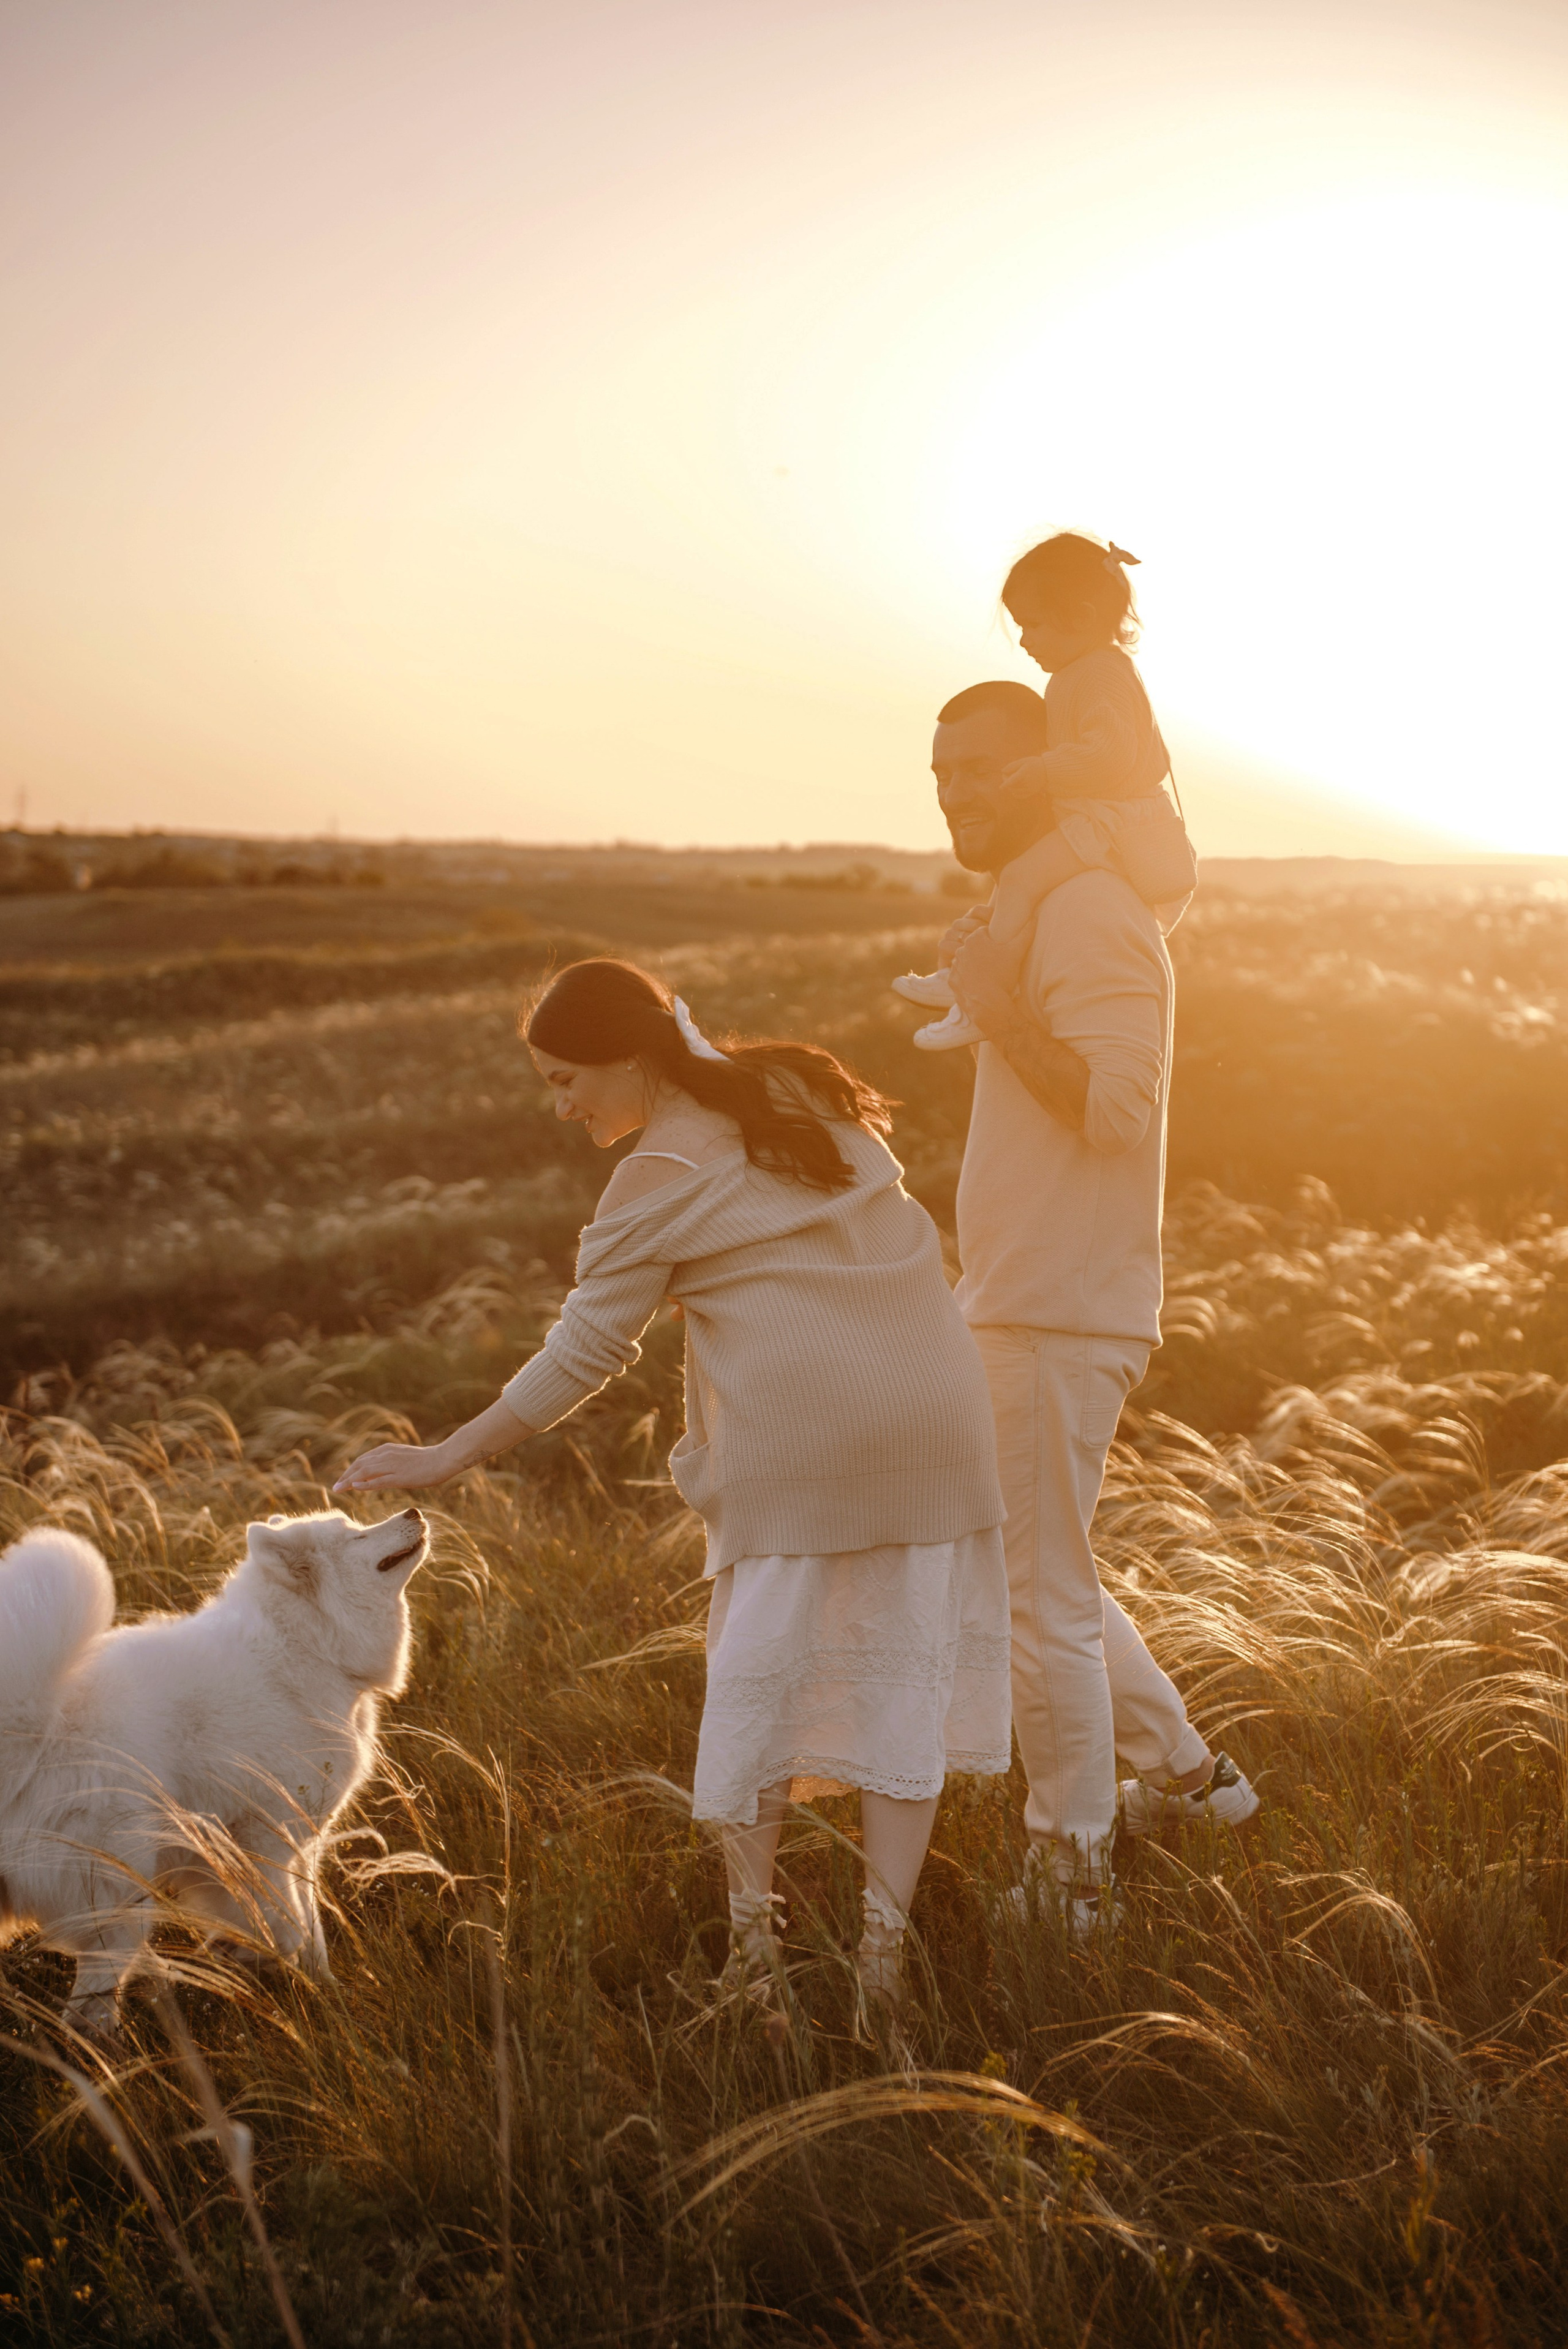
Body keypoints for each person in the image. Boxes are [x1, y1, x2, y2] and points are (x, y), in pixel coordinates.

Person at [336, 958, 1011, 2010]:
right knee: (901, 1680)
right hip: (938, 1417)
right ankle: (882, 1963)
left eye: (568, 1079)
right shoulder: (798, 1093)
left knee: (760, 1689)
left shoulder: (655, 1172)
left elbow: (583, 1354)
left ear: (633, 1055)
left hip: (808, 1446)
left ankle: (754, 1956)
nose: (560, 1107)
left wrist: (445, 1457)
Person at [922, 680, 1257, 1932]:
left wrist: (999, 1010)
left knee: (1034, 1594)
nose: (956, 790)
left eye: (981, 768)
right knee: (1037, 1565)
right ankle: (1192, 1781)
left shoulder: (1094, 916)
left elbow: (1117, 1111)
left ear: (1052, 771)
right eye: (941, 770)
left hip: (1055, 1309)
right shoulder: (1037, 908)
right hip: (1018, 1295)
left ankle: (1070, 1873)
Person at [894, 535, 1197, 1049]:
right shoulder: (1083, 673)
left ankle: (976, 996)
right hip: (1105, 816)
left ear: (1080, 616)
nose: (1025, 640)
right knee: (1021, 883)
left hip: (1115, 820)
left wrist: (1043, 770)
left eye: (1032, 624)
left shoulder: (1101, 674)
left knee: (1020, 882)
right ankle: (965, 971)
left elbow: (1111, 754)